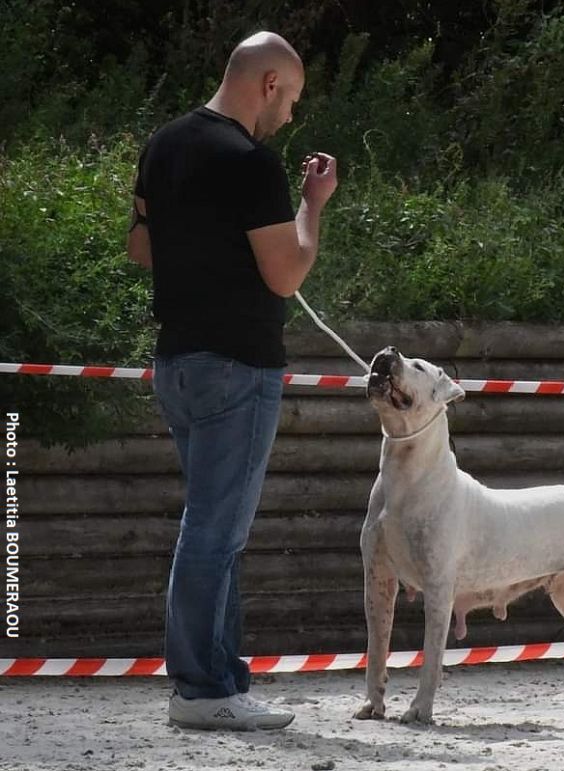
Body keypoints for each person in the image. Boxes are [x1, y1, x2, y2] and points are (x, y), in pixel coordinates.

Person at [126, 30, 337, 731]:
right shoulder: (252, 162)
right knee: (215, 531)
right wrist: (314, 203)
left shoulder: (163, 144)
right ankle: (201, 686)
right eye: (293, 98)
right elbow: (286, 273)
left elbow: (141, 247)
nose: (291, 115)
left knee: (215, 529)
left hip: (176, 362)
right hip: (238, 365)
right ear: (269, 82)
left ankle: (222, 677)